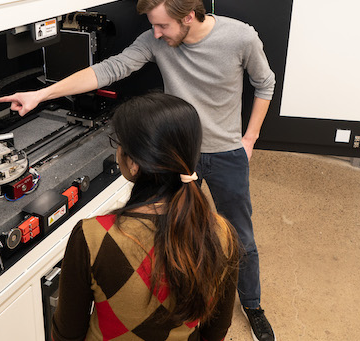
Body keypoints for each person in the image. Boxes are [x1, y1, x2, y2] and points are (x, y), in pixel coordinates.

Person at [0, 0, 276, 341]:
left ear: (190, 15)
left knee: (239, 237)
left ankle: (253, 305)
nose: (156, 35)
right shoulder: (155, 39)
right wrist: (40, 96)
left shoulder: (240, 37)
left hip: (225, 153)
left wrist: (249, 138)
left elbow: (265, 83)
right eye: (153, 26)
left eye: (162, 25)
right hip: (175, 151)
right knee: (168, 229)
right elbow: (109, 69)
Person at [52, 93, 240, 340]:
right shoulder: (222, 233)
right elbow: (216, 330)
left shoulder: (92, 237)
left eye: (118, 143)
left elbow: (67, 333)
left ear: (134, 164)